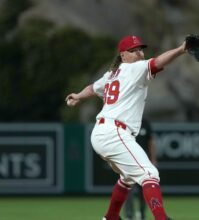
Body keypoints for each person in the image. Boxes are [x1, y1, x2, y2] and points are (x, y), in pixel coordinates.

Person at [66, 35, 187, 220]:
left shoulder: (112, 74)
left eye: (140, 49)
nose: (139, 53)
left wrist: (79, 96)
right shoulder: (135, 68)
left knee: (127, 178)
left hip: (103, 133)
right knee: (149, 173)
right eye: (134, 50)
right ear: (123, 56)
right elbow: (159, 61)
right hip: (114, 133)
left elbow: (93, 88)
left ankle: (111, 216)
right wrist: (181, 49)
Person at [124, 118, 157, 220]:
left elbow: (151, 141)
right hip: (129, 162)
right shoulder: (127, 121)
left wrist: (153, 159)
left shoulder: (145, 122)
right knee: (127, 189)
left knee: (144, 190)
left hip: (143, 163)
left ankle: (142, 214)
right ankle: (129, 216)